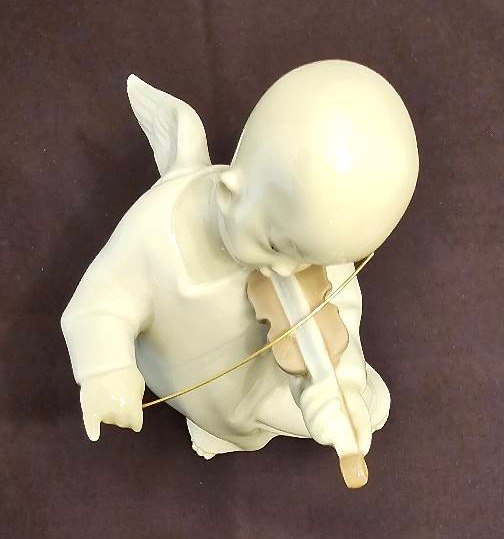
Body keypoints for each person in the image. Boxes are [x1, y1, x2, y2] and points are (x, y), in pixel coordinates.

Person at [61, 60, 418, 463]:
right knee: (225, 409)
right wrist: (106, 372)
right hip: (183, 374)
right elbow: (99, 304)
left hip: (254, 385)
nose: (290, 271)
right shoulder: (152, 234)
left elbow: (334, 313)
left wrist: (338, 383)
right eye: (276, 248)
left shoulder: (305, 240)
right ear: (229, 194)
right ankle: (212, 422)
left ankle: (245, 426)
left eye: (319, 258)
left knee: (298, 407)